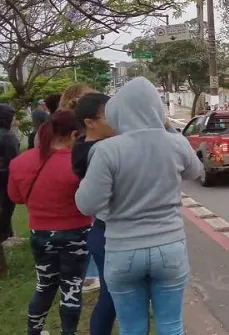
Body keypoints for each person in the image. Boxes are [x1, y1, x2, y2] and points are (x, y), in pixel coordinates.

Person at [75, 77, 203, 335]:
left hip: (123, 249)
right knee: (171, 324)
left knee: (132, 327)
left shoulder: (107, 150)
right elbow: (195, 171)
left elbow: (88, 205)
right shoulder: (175, 142)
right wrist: (167, 130)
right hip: (170, 246)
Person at [8, 110, 92, 335]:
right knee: (72, 287)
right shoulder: (80, 164)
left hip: (40, 234)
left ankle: (33, 331)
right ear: (75, 134)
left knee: (44, 286)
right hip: (78, 233)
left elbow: (15, 197)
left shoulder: (20, 162)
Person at [72, 93, 117, 335]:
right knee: (110, 298)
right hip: (108, 231)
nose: (116, 120)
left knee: (111, 296)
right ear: (90, 122)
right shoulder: (98, 152)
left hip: (103, 230)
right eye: (109, 116)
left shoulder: (84, 145)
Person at [0, 104, 20, 244]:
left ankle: (8, 233)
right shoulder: (8, 137)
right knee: (6, 207)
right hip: (5, 177)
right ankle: (5, 236)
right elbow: (15, 160)